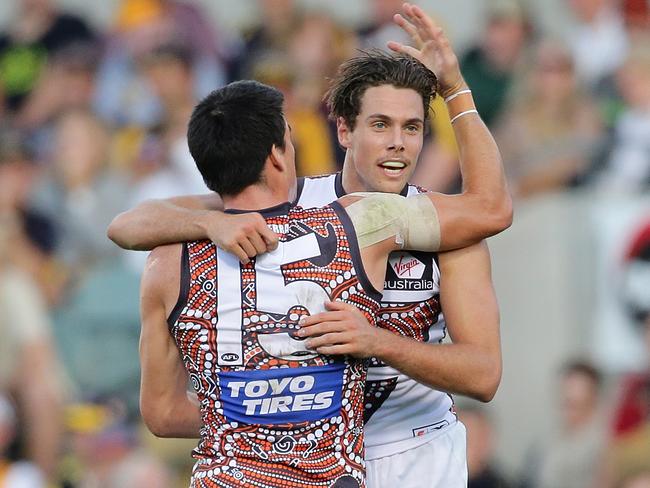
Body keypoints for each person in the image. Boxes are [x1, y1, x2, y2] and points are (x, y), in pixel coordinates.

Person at [110, 4, 510, 487]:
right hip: (313, 459)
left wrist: (377, 343)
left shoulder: (449, 227)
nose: (399, 144)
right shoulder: (293, 201)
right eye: (381, 125)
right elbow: (132, 222)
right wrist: (209, 223)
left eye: (412, 128)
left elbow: (484, 375)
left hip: (415, 450)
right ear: (343, 129)